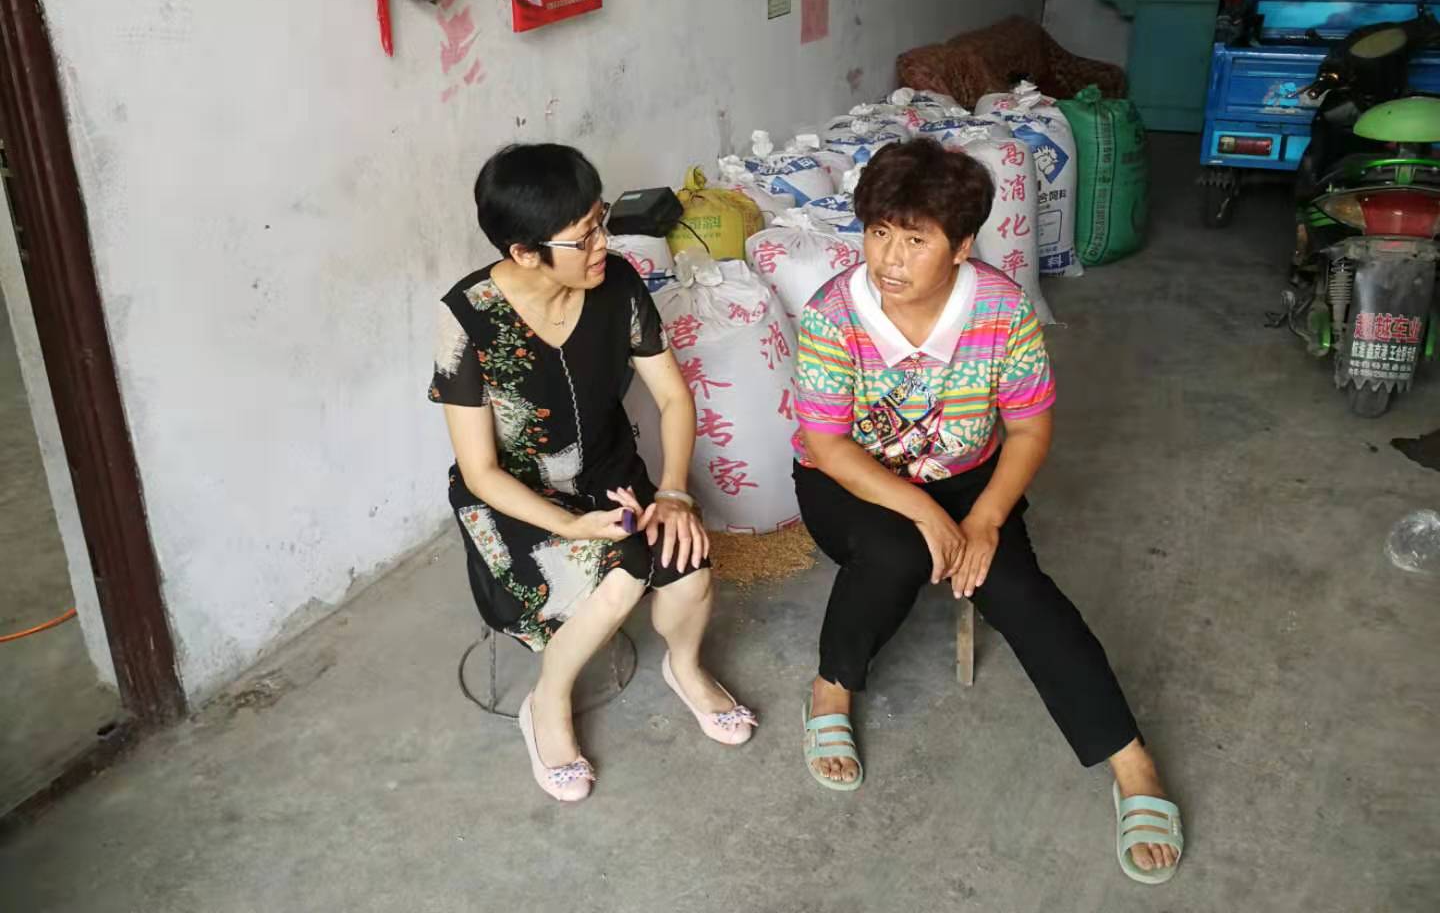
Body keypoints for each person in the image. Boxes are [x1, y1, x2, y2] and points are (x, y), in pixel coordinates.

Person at [790, 139, 1184, 884]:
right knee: (897, 551)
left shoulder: (1001, 309)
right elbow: (827, 444)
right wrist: (923, 513)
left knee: (1020, 589)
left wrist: (985, 519)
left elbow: (1030, 430)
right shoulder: (833, 314)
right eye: (879, 232)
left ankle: (1132, 764)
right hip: (849, 485)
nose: (890, 259)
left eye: (916, 240)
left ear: (962, 245)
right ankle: (830, 690)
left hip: (970, 482)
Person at [430, 144, 755, 803]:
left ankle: (686, 668)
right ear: (525, 252)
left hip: (608, 475)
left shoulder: (619, 284)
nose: (603, 243)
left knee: (689, 565)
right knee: (623, 572)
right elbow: (480, 470)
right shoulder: (468, 316)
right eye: (583, 237)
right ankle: (548, 702)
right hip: (515, 501)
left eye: (601, 222)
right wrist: (569, 525)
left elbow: (673, 397)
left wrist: (673, 492)